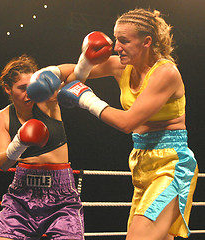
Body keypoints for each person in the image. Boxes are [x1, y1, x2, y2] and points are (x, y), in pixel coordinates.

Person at [57, 8, 198, 240]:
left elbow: (128, 122)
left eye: (124, 41)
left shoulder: (165, 74)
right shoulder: (121, 66)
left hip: (171, 166)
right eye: (116, 40)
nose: (116, 47)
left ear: (147, 41)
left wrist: (87, 98)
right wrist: (48, 73)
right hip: (140, 164)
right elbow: (71, 74)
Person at [0, 54, 84, 240]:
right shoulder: (1, 118)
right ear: (7, 89)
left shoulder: (47, 101)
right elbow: (3, 163)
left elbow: (74, 74)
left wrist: (52, 71)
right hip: (21, 194)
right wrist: (19, 141)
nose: (30, 93)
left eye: (32, 87)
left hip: (61, 195)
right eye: (22, 88)